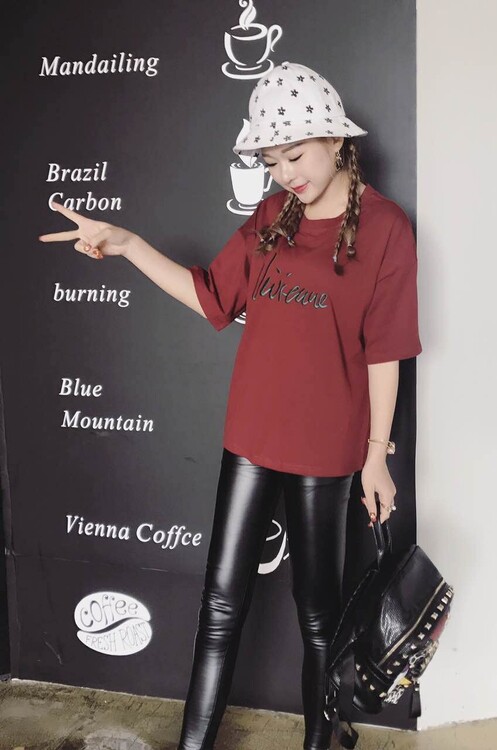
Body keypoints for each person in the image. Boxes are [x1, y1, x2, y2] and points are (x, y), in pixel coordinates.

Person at [39, 60, 422, 750]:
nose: (285, 174)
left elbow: (385, 350)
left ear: (336, 140)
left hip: (327, 443)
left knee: (317, 615)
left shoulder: (388, 228)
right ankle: (194, 745)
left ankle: (321, 741)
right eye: (272, 162)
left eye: (295, 155)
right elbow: (211, 296)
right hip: (251, 432)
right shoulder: (271, 217)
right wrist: (128, 245)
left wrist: (375, 459)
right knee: (220, 602)